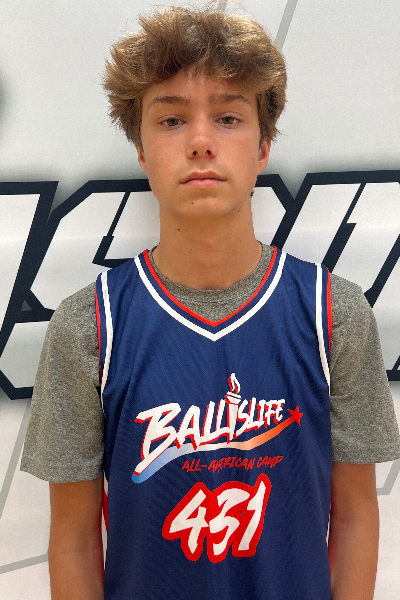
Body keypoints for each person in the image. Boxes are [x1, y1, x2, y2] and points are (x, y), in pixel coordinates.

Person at [21, 4, 400, 600]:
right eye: (171, 120)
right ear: (141, 149)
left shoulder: (335, 314)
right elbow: (73, 540)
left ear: (263, 145)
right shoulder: (88, 326)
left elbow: (355, 515)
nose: (200, 142)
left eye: (228, 118)